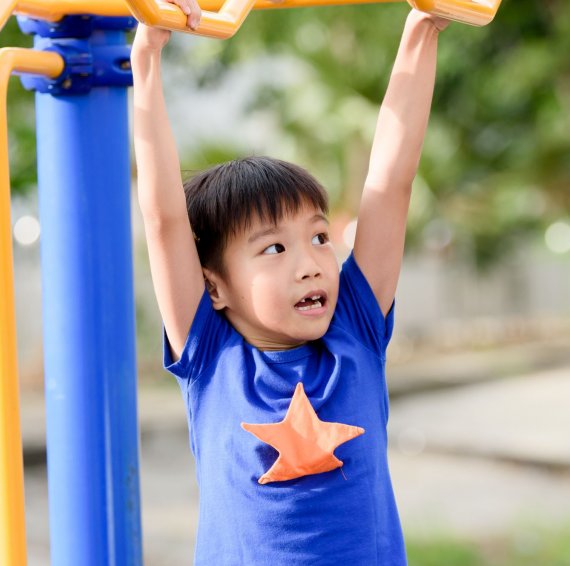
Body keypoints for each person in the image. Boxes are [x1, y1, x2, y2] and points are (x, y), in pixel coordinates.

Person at [131, 1, 447, 563]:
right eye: (274, 248)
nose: (310, 263)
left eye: (319, 238)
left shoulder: (355, 326)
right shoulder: (211, 355)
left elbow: (391, 181)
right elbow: (163, 219)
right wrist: (148, 57)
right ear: (215, 287)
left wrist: (423, 26)